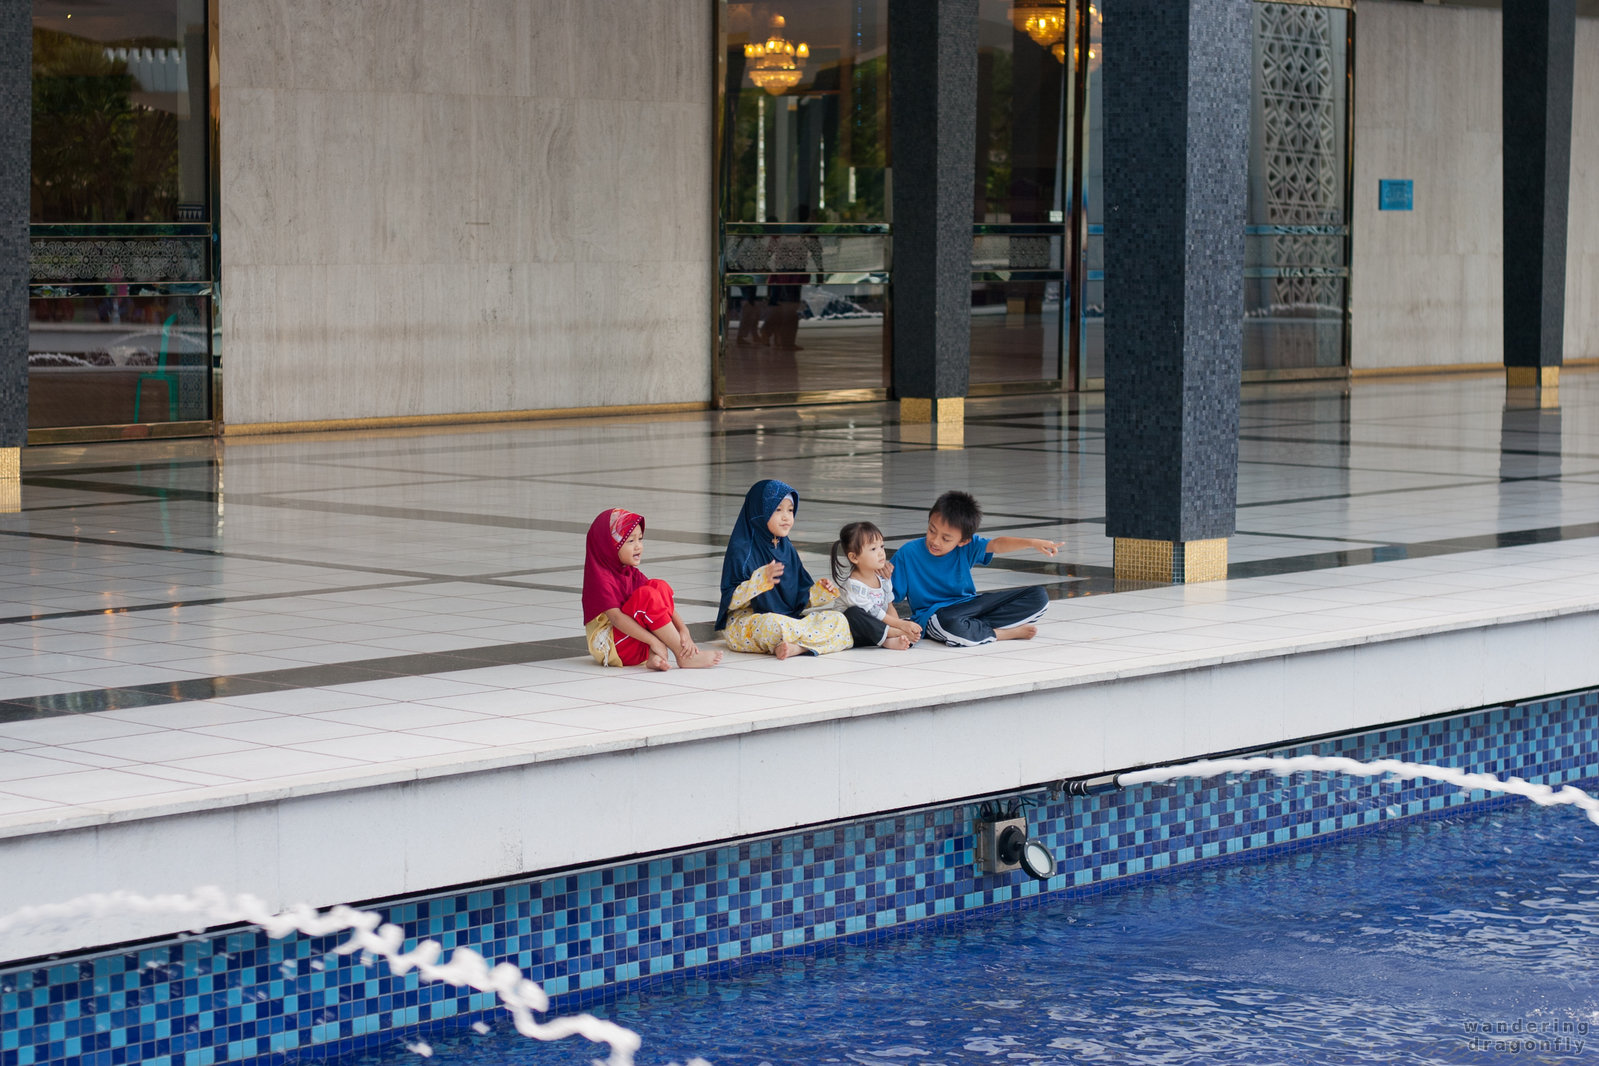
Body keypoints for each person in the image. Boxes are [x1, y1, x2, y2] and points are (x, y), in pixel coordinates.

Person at [891, 490, 1062, 647]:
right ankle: (1000, 634)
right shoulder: (908, 553)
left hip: (971, 606)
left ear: (963, 541)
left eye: (946, 538)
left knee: (1039, 597)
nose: (935, 541)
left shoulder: (967, 547)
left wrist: (1031, 543)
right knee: (949, 623)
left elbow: (996, 544)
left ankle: (975, 628)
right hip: (935, 615)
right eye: (932, 531)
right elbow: (888, 595)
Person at [716, 479, 852, 659]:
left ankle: (798, 647)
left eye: (790, 510)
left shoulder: (785, 547)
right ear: (759, 512)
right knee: (775, 625)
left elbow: (794, 599)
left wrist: (818, 593)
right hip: (747, 624)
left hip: (788, 620)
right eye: (778, 510)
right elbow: (730, 601)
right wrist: (759, 581)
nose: (786, 517)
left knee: (839, 621)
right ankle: (806, 643)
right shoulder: (742, 549)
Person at [582, 508, 721, 671]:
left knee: (658, 586)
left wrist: (684, 630)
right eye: (630, 541)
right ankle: (684, 655)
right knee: (646, 595)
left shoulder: (628, 571)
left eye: (640, 539)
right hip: (611, 646)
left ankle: (653, 656)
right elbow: (618, 620)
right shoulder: (602, 578)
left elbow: (659, 603)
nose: (638, 547)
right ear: (609, 546)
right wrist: (654, 641)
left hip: (630, 641)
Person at [827, 521, 921, 651]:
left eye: (881, 546)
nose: (881, 553)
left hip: (874, 632)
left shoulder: (882, 579)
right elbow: (874, 613)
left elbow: (889, 606)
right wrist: (901, 627)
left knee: (891, 620)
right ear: (854, 557)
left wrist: (900, 625)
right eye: (873, 549)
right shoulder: (853, 586)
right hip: (850, 635)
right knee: (853, 613)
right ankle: (890, 636)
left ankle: (889, 638)